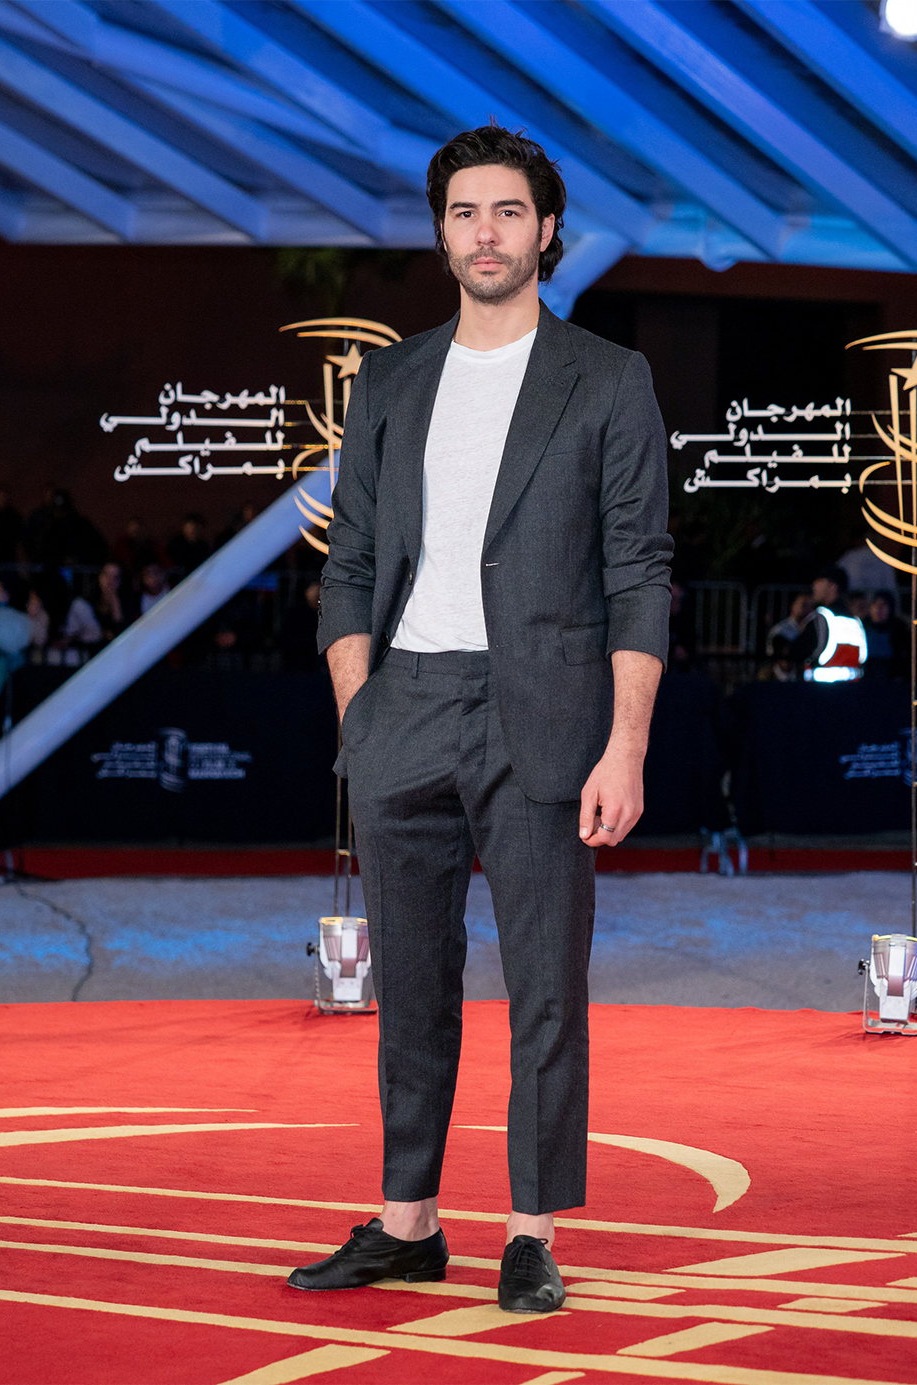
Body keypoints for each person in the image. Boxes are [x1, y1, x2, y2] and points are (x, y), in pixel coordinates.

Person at [287, 126, 671, 1312]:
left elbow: (641, 569)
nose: (485, 232)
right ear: (441, 229)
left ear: (547, 230)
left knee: (545, 984)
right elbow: (349, 558)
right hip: (404, 706)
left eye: (508, 211)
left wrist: (626, 738)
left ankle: (530, 1228)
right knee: (410, 979)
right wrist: (361, 704)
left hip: (546, 720)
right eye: (464, 212)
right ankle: (408, 1220)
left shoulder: (607, 377)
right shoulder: (395, 378)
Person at [863, 591, 909, 680]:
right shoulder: (862, 627)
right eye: (875, 604)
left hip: (892, 678)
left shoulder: (900, 629)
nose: (878, 608)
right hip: (867, 677)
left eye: (883, 605)